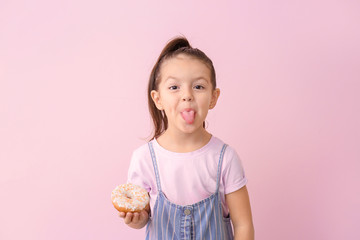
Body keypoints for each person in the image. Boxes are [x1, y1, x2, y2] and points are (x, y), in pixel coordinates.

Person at [119, 36, 255, 240]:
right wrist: (137, 219)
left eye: (198, 86)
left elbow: (243, 224)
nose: (187, 95)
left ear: (213, 97)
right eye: (174, 87)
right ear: (158, 99)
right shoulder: (144, 158)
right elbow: (143, 217)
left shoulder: (225, 158)